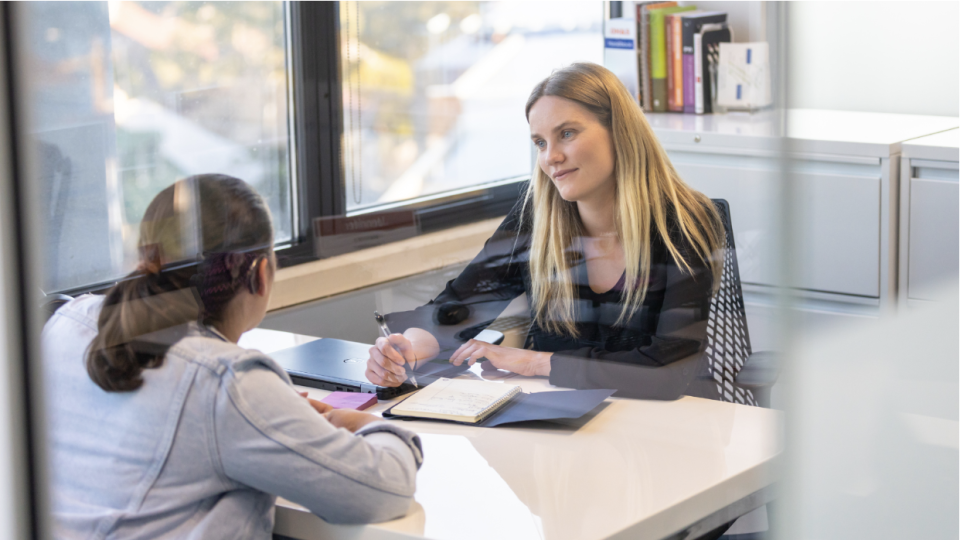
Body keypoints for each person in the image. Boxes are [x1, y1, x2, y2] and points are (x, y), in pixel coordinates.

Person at [42, 174, 423, 539]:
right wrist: (347, 420)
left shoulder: (66, 324)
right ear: (260, 273)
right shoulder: (228, 381)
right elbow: (385, 488)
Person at [366, 62, 727, 400]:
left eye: (566, 134)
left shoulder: (684, 222)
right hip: (566, 420)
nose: (550, 156)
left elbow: (669, 372)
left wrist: (537, 362)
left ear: (619, 132)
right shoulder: (535, 215)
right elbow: (459, 307)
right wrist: (408, 349)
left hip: (672, 431)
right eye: (540, 142)